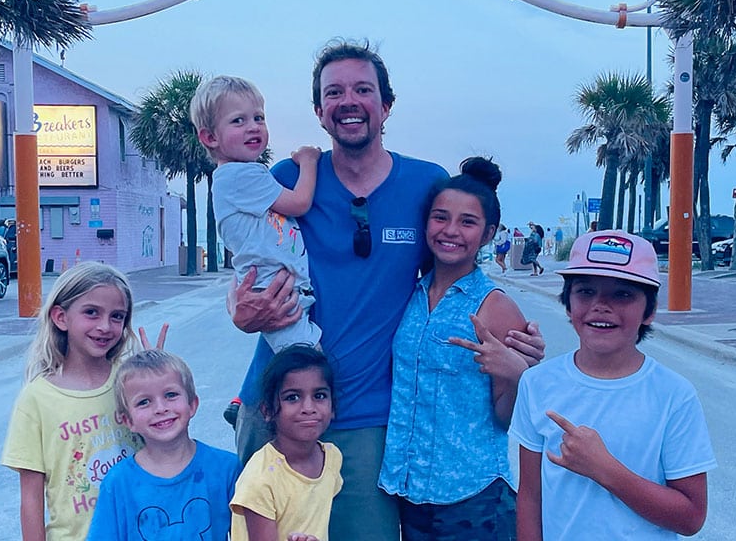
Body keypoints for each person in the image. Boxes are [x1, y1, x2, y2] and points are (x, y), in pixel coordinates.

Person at [228, 39, 544, 541]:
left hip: (367, 419)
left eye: (363, 89)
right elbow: (248, 260)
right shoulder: (288, 179)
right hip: (276, 405)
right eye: (334, 92)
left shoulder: (425, 185)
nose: (348, 101)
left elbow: (453, 276)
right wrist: (239, 309)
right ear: (319, 111)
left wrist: (515, 343)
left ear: (386, 105)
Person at [509, 230, 716, 540]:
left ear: (650, 310)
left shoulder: (674, 395)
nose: (600, 305)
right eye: (585, 291)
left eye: (623, 294)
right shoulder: (537, 383)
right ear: (567, 305)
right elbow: (529, 496)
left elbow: (691, 517)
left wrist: (605, 469)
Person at [379, 157, 539, 540]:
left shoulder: (495, 307)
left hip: (473, 499)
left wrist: (517, 375)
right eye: (440, 217)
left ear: (488, 234)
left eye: (467, 222)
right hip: (410, 493)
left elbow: (506, 419)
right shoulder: (410, 294)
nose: (451, 231)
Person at [2, 262, 144, 541]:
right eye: (92, 313)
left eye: (117, 316)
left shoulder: (132, 383)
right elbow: (31, 500)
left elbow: (170, 451)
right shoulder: (37, 399)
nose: (105, 327)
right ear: (61, 317)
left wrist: (153, 385)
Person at [190, 75, 322, 353]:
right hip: (274, 291)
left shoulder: (238, 177)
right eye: (238, 121)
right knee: (307, 365)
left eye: (258, 118)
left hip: (275, 287)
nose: (253, 128)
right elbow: (299, 203)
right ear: (210, 137)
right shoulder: (241, 175)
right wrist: (309, 161)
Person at [87, 349, 241, 540]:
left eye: (170, 395)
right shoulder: (118, 483)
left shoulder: (227, 469)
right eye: (144, 402)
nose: (160, 408)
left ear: (192, 404)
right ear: (127, 420)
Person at [231, 345, 342, 541]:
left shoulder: (331, 457)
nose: (308, 408)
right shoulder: (260, 479)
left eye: (319, 396)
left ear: (333, 406)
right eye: (293, 397)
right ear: (267, 411)